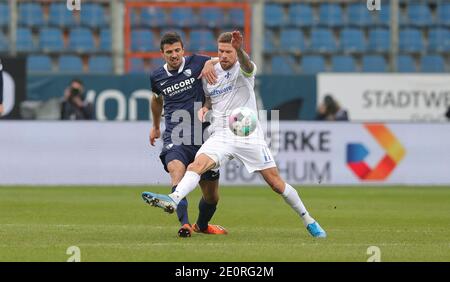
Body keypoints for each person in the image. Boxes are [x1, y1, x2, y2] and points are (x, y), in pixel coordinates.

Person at [142, 31, 327, 238]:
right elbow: (209, 98)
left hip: (248, 134)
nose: (224, 56)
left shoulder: (244, 68)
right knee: (196, 165)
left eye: (228, 51)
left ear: (235, 51)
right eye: (220, 51)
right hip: (221, 134)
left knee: (276, 183)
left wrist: (240, 50)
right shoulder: (209, 73)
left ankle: (308, 219)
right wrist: (205, 107)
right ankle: (174, 199)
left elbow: (248, 65)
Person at [145, 32, 227, 237]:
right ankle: (185, 224)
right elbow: (156, 100)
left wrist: (212, 62)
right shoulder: (157, 76)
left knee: (212, 197)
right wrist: (155, 126)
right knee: (176, 172)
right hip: (176, 136)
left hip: (203, 137)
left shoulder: (198, 62)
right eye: (169, 52)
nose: (174, 55)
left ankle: (202, 225)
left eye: (177, 50)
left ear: (183, 49)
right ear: (162, 54)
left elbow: (228, 59)